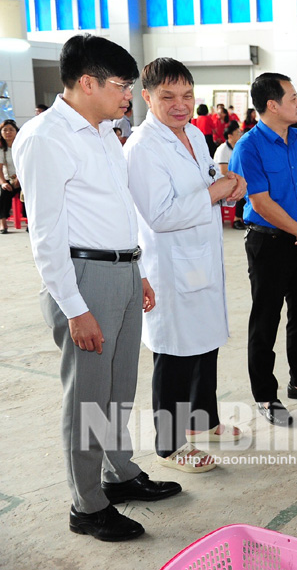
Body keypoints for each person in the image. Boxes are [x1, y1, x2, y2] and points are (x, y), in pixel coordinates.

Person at [13, 34, 180, 542]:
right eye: (122, 85)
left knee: (117, 390)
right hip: (83, 279)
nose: (128, 94)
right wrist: (74, 307)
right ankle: (86, 506)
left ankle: (119, 474)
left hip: (123, 272)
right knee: (87, 397)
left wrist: (139, 269)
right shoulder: (46, 138)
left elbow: (115, 211)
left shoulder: (105, 132)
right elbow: (45, 233)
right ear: (88, 83)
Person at [124, 58, 246, 473]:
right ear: (146, 97)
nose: (181, 105)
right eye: (168, 97)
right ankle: (170, 444)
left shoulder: (193, 133)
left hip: (202, 257)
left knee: (205, 342)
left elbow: (206, 184)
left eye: (188, 95)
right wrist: (215, 192)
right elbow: (159, 215)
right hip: (170, 266)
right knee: (175, 352)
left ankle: (203, 420)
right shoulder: (142, 147)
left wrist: (229, 190)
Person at [229, 72, 297, 426]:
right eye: (293, 98)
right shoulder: (249, 147)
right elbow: (259, 202)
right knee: (266, 320)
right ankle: (265, 395)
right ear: (272, 105)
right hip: (270, 243)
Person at [214, 120, 247, 230]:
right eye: (238, 133)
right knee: (241, 188)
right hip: (222, 180)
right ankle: (236, 219)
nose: (240, 135)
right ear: (230, 136)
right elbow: (223, 171)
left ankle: (245, 217)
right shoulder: (223, 149)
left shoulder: (237, 147)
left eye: (240, 133)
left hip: (235, 177)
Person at [1, 119, 21, 234]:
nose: (8, 132)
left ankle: (30, 223)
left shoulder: (21, 145)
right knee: (3, 193)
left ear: (16, 132)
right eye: (5, 130)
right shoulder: (1, 149)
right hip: (8, 179)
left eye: (11, 130)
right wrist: (3, 182)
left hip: (22, 178)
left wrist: (19, 178)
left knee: (29, 194)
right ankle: (3, 224)